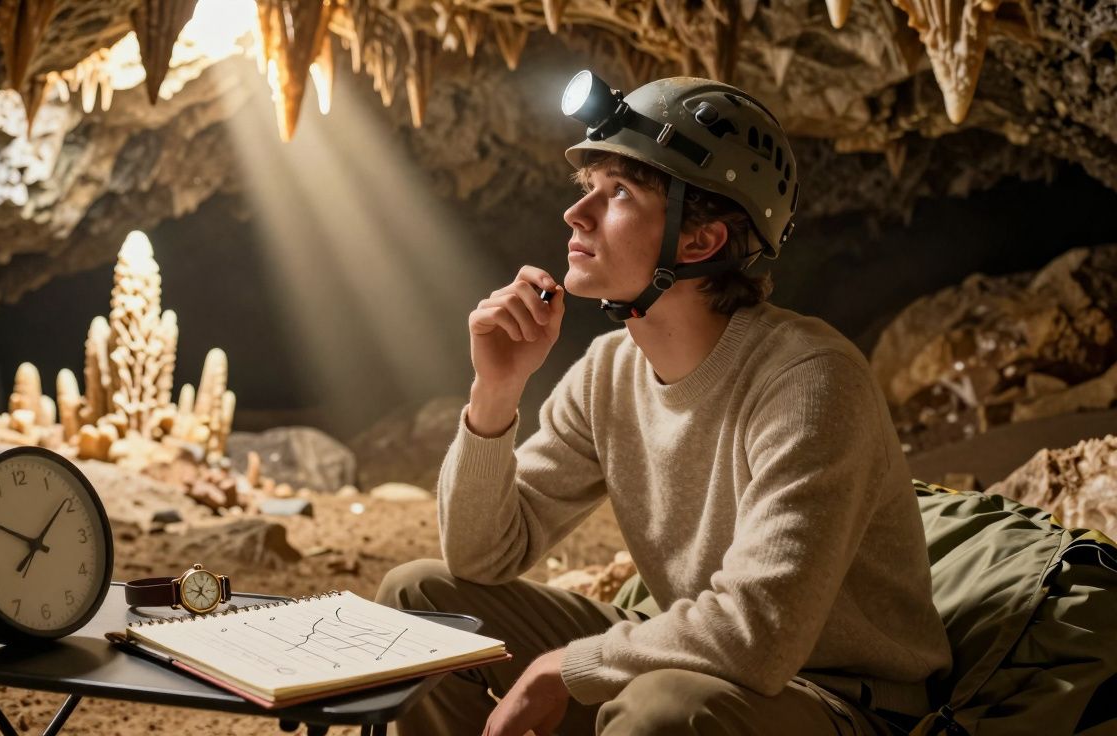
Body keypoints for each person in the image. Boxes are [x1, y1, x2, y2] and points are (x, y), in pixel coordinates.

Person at [376, 72, 952, 736]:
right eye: (587, 186)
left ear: (700, 240)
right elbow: (481, 558)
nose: (576, 213)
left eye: (619, 191)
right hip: (700, 663)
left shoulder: (810, 381)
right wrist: (496, 392)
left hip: (840, 699)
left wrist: (564, 668)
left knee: (664, 708)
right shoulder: (609, 372)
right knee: (421, 601)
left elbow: (758, 635)